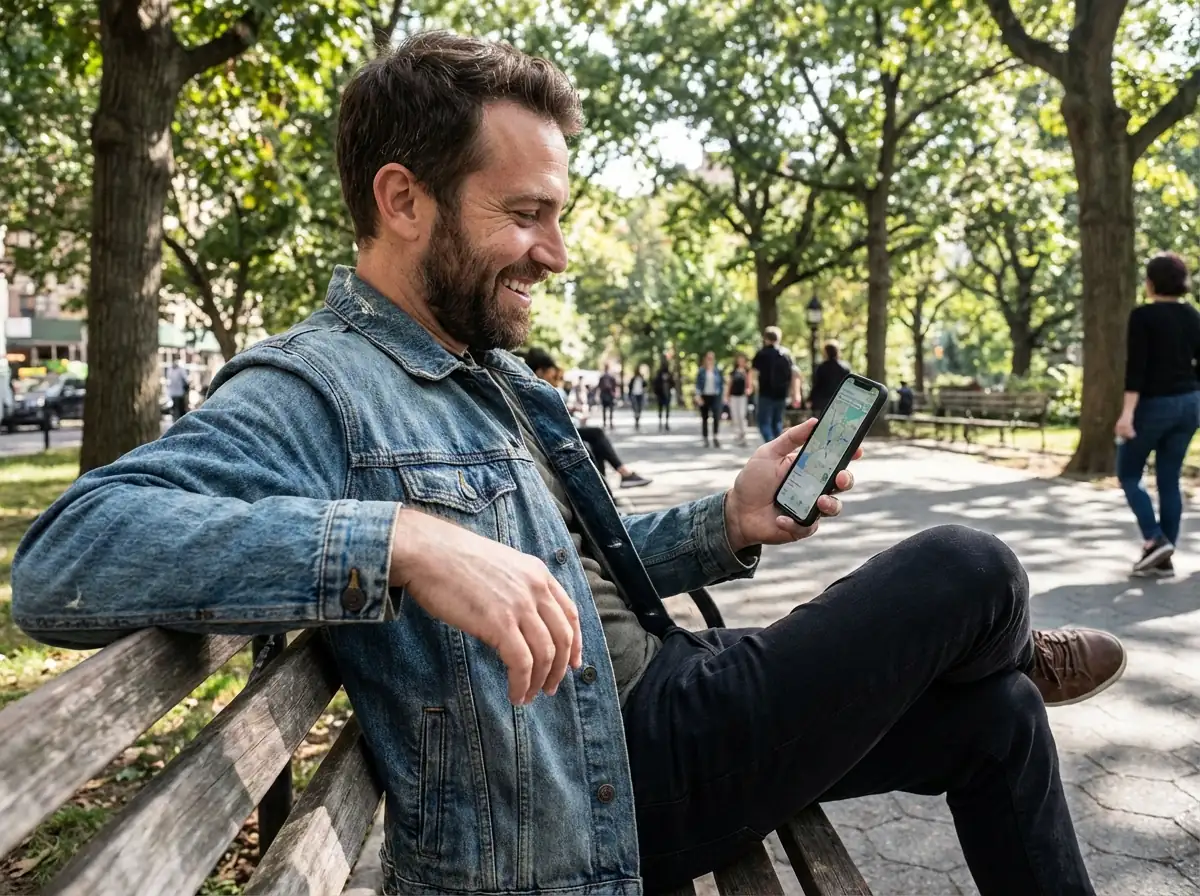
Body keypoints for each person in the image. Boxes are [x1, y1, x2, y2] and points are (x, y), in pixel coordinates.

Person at [11, 33, 1125, 896]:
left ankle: (996, 671)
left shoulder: (484, 366)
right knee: (969, 568)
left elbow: (563, 567)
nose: (555, 250)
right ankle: (1002, 649)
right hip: (614, 778)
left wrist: (726, 522)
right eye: (526, 214)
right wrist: (400, 539)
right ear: (403, 200)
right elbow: (67, 556)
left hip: (660, 698)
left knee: (999, 724)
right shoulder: (315, 389)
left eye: (560, 213)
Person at [1115, 252, 1200, 578]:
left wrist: (1126, 415)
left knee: (1128, 473)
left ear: (1150, 283)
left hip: (1155, 405)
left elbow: (1136, 371)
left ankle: (1155, 538)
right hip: (1189, 404)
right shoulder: (1193, 316)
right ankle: (1163, 559)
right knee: (1169, 478)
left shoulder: (1143, 317)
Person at [524, 348, 651, 490]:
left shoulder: (532, 386)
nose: (553, 377)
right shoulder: (533, 388)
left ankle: (611, 488)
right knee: (595, 436)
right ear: (540, 371)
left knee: (596, 446)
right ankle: (621, 477)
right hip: (550, 436)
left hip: (552, 432)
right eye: (550, 373)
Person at [750, 327, 793, 442]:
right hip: (781, 393)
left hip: (765, 393)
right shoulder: (786, 354)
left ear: (765, 338)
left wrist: (754, 388)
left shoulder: (761, 354)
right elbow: (793, 374)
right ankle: (778, 445)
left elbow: (753, 374)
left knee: (763, 421)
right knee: (777, 421)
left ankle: (770, 444)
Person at [810, 340, 851, 415]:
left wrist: (811, 399)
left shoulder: (821, 367)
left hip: (824, 400)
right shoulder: (845, 368)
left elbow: (817, 384)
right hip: (840, 399)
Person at [694, 351, 724, 448]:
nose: (710, 360)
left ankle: (715, 436)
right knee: (705, 417)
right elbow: (698, 384)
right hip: (704, 396)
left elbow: (721, 384)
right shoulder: (702, 371)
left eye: (712, 358)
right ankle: (705, 438)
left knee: (716, 416)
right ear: (705, 359)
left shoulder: (717, 371)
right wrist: (698, 396)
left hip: (715, 396)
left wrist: (723, 396)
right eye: (708, 358)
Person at [724, 353, 751, 446]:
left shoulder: (747, 371)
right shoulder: (733, 372)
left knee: (741, 415)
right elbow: (729, 384)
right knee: (735, 415)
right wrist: (727, 396)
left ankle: (743, 433)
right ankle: (737, 433)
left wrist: (749, 390)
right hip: (733, 396)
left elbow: (749, 384)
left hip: (742, 396)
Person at [653, 359, 675, 432]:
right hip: (660, 394)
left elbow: (673, 383)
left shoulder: (669, 374)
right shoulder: (659, 374)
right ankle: (660, 423)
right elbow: (655, 383)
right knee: (661, 409)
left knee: (667, 409)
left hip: (667, 393)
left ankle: (666, 423)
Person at [628, 365, 648, 432]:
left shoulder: (641, 378)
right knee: (635, 408)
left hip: (640, 395)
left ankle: (637, 420)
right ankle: (636, 420)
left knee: (639, 408)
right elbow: (630, 387)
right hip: (634, 394)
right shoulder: (633, 379)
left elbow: (645, 384)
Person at [598, 364, 618, 429]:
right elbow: (614, 386)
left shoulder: (602, 377)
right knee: (611, 409)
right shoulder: (611, 377)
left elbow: (599, 386)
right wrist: (614, 393)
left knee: (604, 410)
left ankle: (604, 423)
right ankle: (611, 423)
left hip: (604, 394)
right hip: (610, 395)